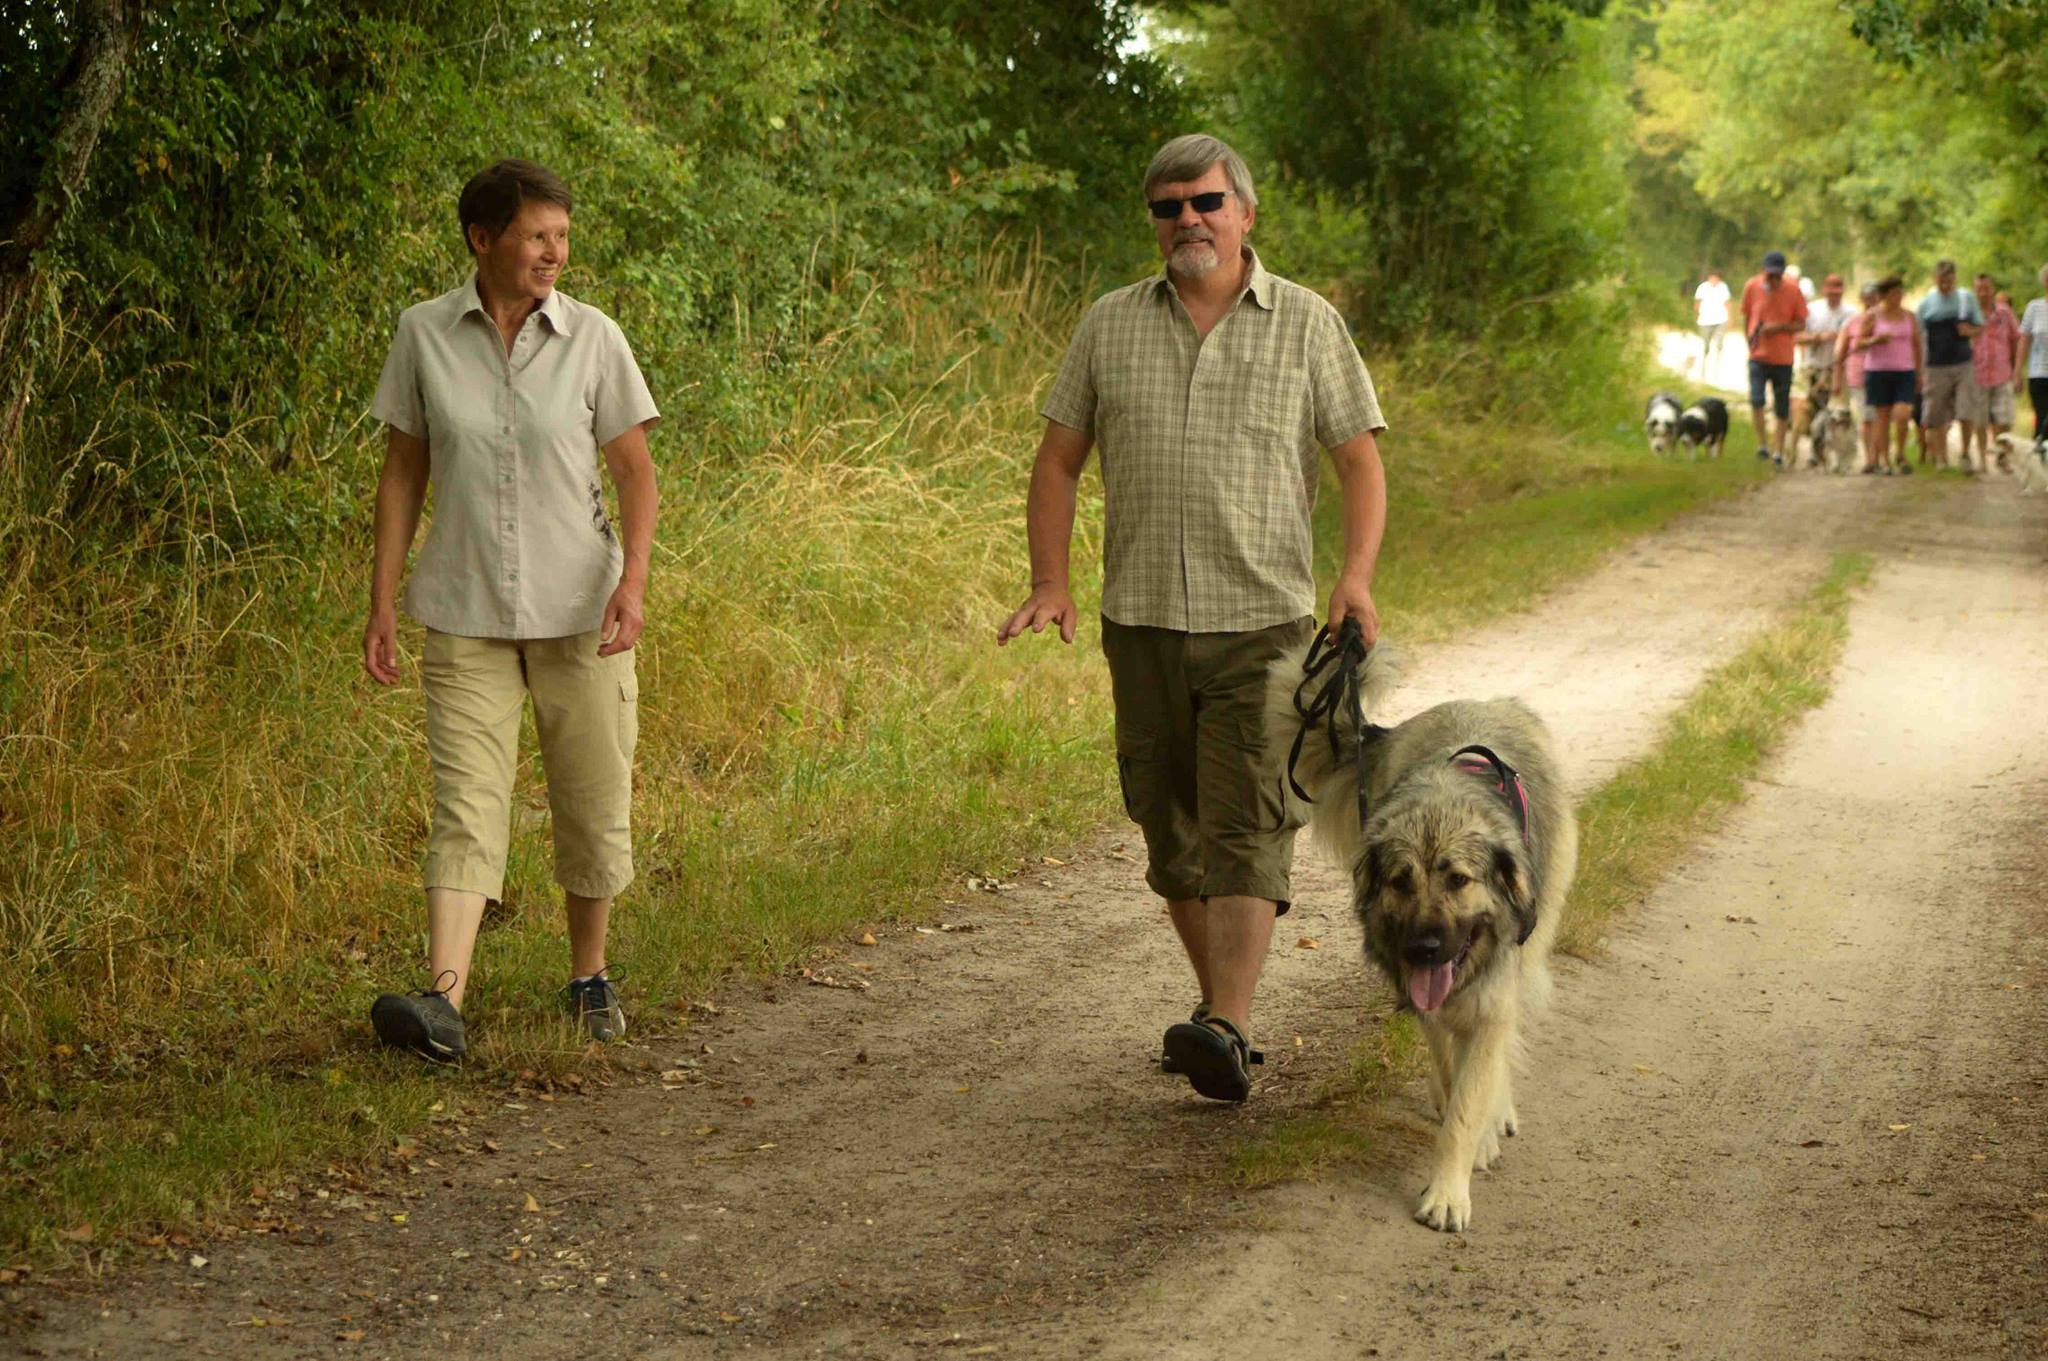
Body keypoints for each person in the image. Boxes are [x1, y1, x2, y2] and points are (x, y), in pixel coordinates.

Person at [996, 133, 1387, 1104]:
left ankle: (1228, 1021)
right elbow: (1056, 461)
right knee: (1168, 828)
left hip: (1262, 620)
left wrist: (1355, 577)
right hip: (1140, 620)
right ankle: (1220, 1016)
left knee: (1248, 820)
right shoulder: (1108, 325)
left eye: (1205, 202)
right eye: (1167, 208)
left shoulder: (1305, 324)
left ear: (1244, 211)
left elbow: (1358, 462)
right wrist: (1050, 579)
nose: (1187, 221)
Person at [363, 159, 660, 1062]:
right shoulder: (423, 334)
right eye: (537, 235)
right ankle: (443, 1002)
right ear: (481, 238)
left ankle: (589, 976)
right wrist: (381, 601)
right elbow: (403, 472)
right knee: (466, 805)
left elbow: (637, 472)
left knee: (591, 793)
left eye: (562, 237)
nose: (554, 253)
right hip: (464, 607)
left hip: (582, 611)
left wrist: (634, 581)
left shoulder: (595, 338)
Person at [1741, 250, 1808, 466]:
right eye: (1770, 274)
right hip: (1758, 356)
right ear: (1764, 271)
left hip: (1783, 358)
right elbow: (1746, 316)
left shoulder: (1794, 290)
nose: (1773, 279)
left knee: (1781, 406)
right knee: (1756, 400)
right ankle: (1762, 445)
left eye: (1777, 275)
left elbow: (1801, 324)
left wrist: (1779, 328)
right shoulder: (1752, 286)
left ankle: (1778, 448)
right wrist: (1749, 341)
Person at [1851, 275, 1922, 476]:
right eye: (1893, 294)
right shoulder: (1873, 316)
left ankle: (1900, 453)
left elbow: (1916, 345)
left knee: (1902, 413)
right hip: (1878, 370)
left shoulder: (1909, 317)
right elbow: (1857, 344)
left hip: (1904, 370)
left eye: (1900, 293)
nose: (1898, 297)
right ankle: (1883, 459)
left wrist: (1919, 372)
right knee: (1882, 417)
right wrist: (1875, 340)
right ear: (1884, 296)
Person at [1915, 259, 1983, 468]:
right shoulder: (1927, 303)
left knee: (1965, 409)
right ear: (1935, 279)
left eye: (1949, 280)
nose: (1945, 285)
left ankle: (1965, 453)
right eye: (1941, 280)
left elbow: (1980, 326)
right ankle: (1940, 456)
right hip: (1936, 364)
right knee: (1936, 412)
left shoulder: (1965, 298)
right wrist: (1920, 367)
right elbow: (1917, 335)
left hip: (1963, 362)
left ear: (1954, 278)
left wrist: (1969, 331)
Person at [1793, 272, 1855, 468]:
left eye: (1837, 291)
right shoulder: (1812, 310)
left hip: (1840, 369)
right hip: (1816, 368)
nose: (1834, 295)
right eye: (1830, 290)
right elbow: (1797, 337)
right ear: (1824, 290)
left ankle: (1837, 453)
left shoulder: (1851, 313)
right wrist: (1819, 337)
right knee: (1816, 413)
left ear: (1843, 291)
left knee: (1837, 413)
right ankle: (1816, 451)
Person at [1967, 271, 2019, 471]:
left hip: (2001, 371)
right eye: (1979, 289)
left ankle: (2002, 457)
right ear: (1974, 290)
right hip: (1977, 372)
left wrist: (2015, 368)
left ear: (1993, 289)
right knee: (1980, 419)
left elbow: (2015, 338)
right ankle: (1981, 459)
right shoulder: (1969, 314)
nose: (1983, 293)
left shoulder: (2004, 312)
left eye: (1987, 288)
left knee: (2003, 418)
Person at [1835, 281, 1882, 471]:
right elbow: (1840, 353)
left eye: (1875, 298)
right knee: (1867, 417)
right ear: (1862, 300)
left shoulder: (1887, 320)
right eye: (1867, 299)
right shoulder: (1852, 322)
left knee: (1880, 417)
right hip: (1858, 374)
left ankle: (1879, 456)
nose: (1871, 302)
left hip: (1882, 373)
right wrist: (1837, 379)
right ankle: (1871, 459)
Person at [2020, 264, 2048, 442]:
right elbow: (2024, 340)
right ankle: (2038, 454)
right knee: (2042, 415)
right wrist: (2017, 371)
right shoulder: (2034, 308)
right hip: (2039, 372)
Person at [1694, 269, 1731, 378]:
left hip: (1720, 319)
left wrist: (1729, 318)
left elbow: (1727, 302)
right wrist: (1697, 316)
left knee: (1719, 343)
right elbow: (1697, 302)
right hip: (1705, 320)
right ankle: (1703, 366)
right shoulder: (1703, 287)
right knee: (1705, 344)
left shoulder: (1723, 287)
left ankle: (1717, 367)